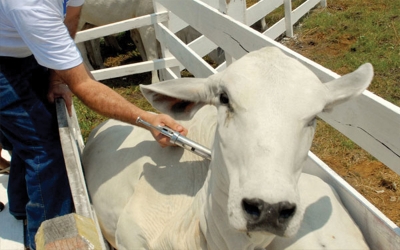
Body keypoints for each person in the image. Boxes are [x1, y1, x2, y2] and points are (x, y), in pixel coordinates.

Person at [0, 0, 188, 249]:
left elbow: (71, 17)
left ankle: (20, 204)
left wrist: (56, 77)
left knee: (31, 133)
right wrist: (148, 119)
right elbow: (84, 86)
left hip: (21, 47)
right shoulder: (29, 6)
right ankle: (49, 238)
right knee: (45, 149)